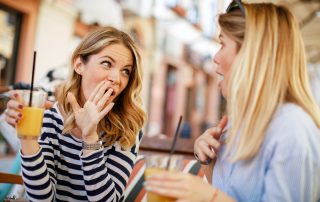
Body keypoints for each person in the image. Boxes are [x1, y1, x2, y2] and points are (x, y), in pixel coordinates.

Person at [145, 1, 320, 202]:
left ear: (252, 55)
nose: (215, 57)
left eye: (222, 44)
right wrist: (208, 163)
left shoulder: (291, 129)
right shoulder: (236, 126)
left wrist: (211, 197)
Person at [4, 26, 146, 201]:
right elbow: (42, 199)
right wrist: (28, 138)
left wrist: (90, 137)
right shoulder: (49, 116)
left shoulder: (128, 125)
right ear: (79, 65)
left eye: (126, 71)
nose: (117, 78)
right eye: (107, 63)